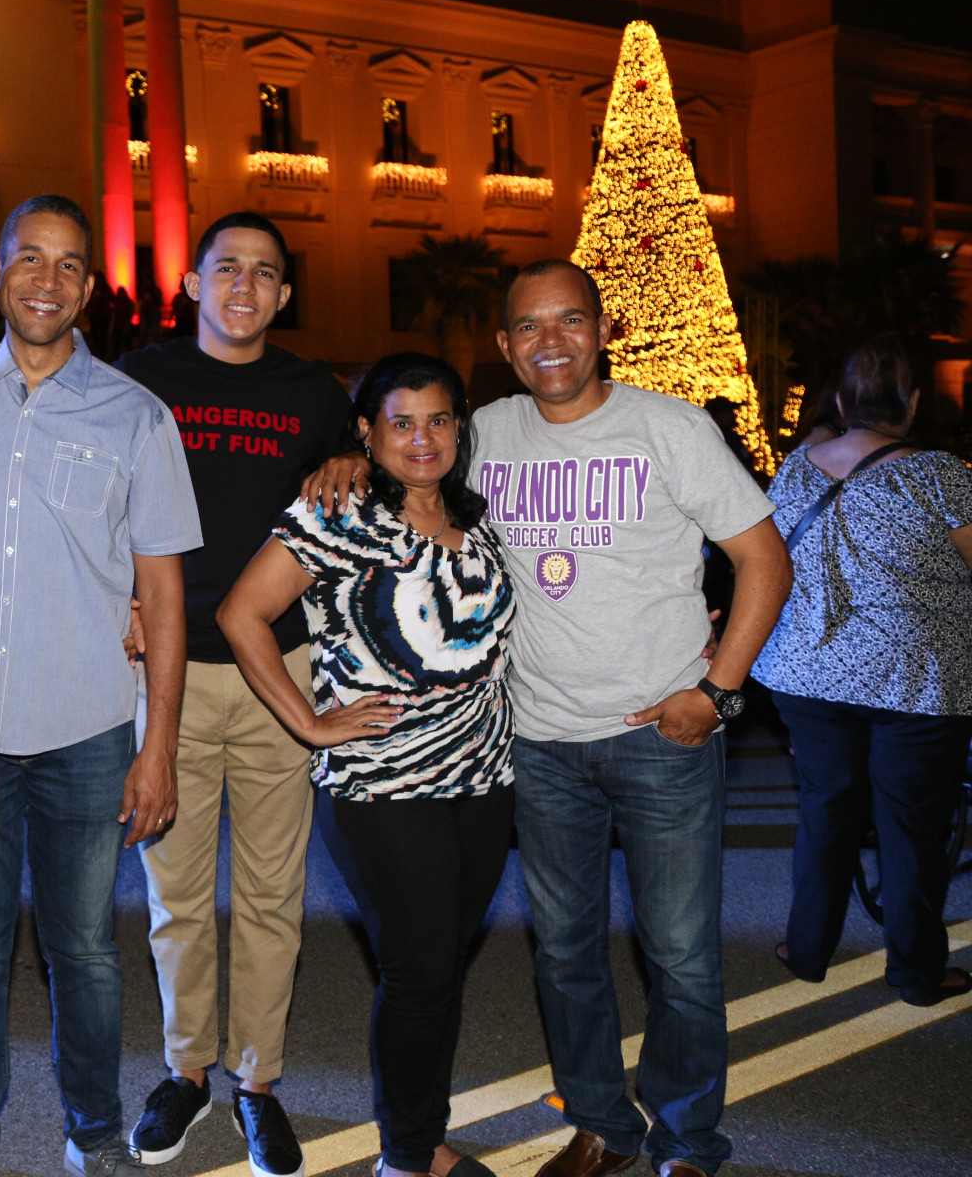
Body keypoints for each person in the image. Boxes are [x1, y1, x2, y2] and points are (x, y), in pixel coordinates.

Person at [303, 259, 791, 1177]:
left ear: (603, 330)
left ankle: (688, 1140)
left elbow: (763, 558)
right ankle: (602, 1124)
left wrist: (719, 692)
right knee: (565, 952)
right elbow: (408, 451)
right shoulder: (485, 431)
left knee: (681, 956)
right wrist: (350, 455)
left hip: (660, 736)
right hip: (535, 744)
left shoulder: (670, 427)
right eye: (529, 326)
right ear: (504, 344)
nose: (551, 341)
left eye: (570, 320)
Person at [0, 194, 203, 1177]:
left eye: (70, 264)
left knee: (86, 951)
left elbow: (164, 595)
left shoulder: (137, 415)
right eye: (28, 258)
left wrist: (158, 747)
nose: (47, 279)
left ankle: (95, 1131)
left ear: (89, 288)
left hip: (88, 727)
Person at [225, 353, 513, 1177]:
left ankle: (424, 1135)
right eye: (401, 422)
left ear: (459, 426)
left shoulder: (476, 519)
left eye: (438, 420)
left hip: (485, 781)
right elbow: (243, 613)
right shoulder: (339, 513)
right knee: (419, 971)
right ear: (366, 431)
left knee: (440, 970)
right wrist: (309, 724)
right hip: (384, 783)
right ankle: (408, 1157)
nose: (422, 439)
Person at [112, 212, 350, 1176]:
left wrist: (352, 455)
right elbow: (102, 499)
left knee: (270, 895)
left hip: (277, 671)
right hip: (167, 671)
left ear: (283, 293)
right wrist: (119, 599)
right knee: (173, 895)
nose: (244, 286)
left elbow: (367, 473)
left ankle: (257, 1080)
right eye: (226, 269)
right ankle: (186, 1070)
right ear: (193, 283)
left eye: (263, 273)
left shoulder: (313, 393)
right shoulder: (142, 379)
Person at [753, 335, 972, 1007]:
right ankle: (916, 972)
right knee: (913, 826)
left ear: (843, 403)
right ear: (913, 402)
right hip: (916, 678)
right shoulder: (939, 474)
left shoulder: (795, 471)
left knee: (826, 809)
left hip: (809, 674)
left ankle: (807, 947)